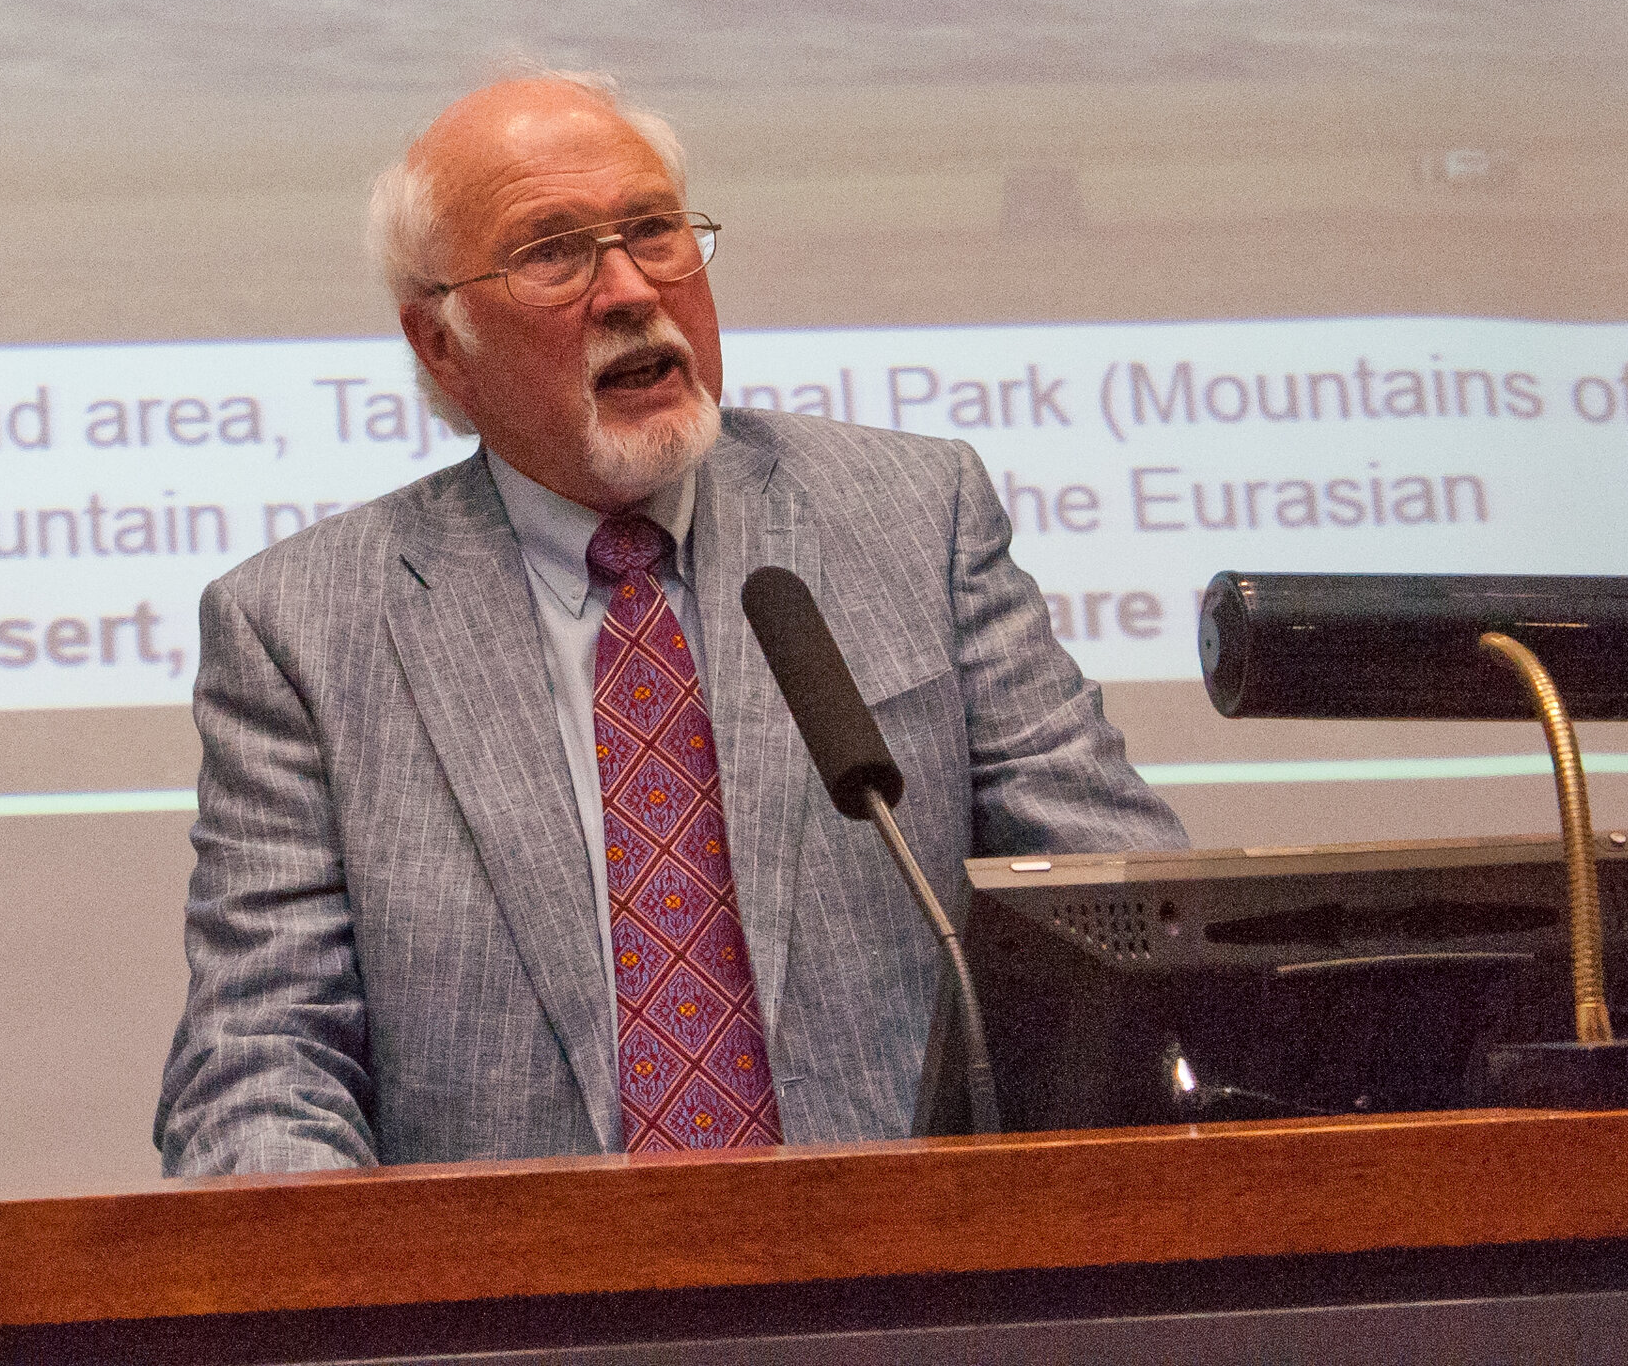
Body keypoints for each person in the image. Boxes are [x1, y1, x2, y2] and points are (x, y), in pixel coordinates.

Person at [156, 71, 1183, 1172]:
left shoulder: (913, 519)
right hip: (525, 1318)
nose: (631, 289)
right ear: (440, 343)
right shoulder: (302, 630)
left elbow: (1126, 913)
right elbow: (261, 1057)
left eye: (653, 231)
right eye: (552, 253)